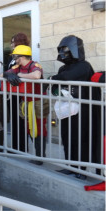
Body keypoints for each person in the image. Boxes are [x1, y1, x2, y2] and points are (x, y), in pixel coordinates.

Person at [50, 35, 100, 179]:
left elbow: (67, 77)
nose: (63, 52)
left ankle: (81, 170)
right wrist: (55, 86)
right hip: (67, 108)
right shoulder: (63, 68)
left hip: (84, 110)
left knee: (82, 138)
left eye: (65, 49)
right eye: (61, 49)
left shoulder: (84, 66)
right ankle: (70, 166)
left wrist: (52, 79)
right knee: (67, 136)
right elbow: (57, 86)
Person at [2, 45, 47, 165]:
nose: (14, 59)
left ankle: (40, 156)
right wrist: (8, 75)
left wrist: (19, 76)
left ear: (21, 57)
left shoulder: (34, 65)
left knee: (39, 130)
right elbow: (3, 75)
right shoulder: (18, 67)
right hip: (27, 102)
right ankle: (39, 155)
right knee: (30, 128)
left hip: (38, 102)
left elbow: (36, 76)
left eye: (15, 56)